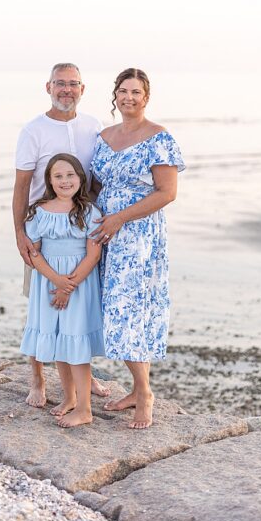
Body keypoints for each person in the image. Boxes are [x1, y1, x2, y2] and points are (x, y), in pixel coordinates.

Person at [88, 68, 185, 429]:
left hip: (138, 235)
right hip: (104, 232)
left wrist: (119, 219)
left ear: (146, 97)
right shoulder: (103, 137)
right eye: (123, 91)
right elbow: (95, 187)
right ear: (115, 95)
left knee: (130, 310)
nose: (129, 97)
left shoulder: (159, 137)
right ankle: (135, 388)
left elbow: (166, 192)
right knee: (111, 308)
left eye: (136, 91)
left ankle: (144, 394)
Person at [13, 63, 109, 407]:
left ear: (82, 89)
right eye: (59, 84)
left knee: (80, 309)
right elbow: (22, 185)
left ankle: (84, 377)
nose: (66, 90)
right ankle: (37, 379)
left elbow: (99, 178)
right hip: (43, 233)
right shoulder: (33, 131)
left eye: (72, 84)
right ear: (48, 87)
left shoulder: (95, 126)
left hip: (83, 227)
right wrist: (20, 233)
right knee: (40, 305)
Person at [19, 154, 105, 427]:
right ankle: (68, 398)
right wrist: (56, 281)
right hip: (49, 282)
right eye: (58, 176)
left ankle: (84, 408)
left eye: (70, 175)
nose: (65, 181)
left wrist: (69, 285)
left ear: (80, 178)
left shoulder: (89, 212)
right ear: (49, 181)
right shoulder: (39, 211)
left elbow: (93, 255)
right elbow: (34, 254)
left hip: (79, 283)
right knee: (59, 340)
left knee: (75, 342)